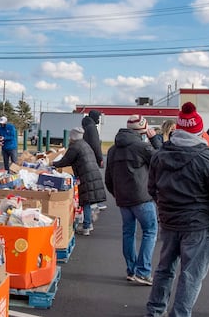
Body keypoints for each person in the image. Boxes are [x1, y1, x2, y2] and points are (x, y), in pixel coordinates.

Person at [144, 103, 209, 317]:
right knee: (191, 273)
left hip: (170, 220)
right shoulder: (208, 159)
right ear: (199, 131)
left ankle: (155, 309)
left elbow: (151, 188)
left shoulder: (160, 155)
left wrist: (165, 206)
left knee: (165, 267)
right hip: (197, 223)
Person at [105, 115, 162, 285]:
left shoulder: (113, 150)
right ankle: (143, 271)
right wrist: (155, 140)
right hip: (142, 198)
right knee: (150, 231)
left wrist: (117, 194)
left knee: (128, 233)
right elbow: (162, 161)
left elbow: (108, 178)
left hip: (123, 199)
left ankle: (131, 270)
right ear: (143, 131)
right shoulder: (143, 147)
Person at [52, 127, 107, 237]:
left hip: (85, 175)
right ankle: (89, 220)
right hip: (92, 173)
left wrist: (53, 164)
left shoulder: (75, 147)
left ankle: (87, 226)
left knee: (86, 201)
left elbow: (66, 160)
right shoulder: (84, 144)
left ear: (72, 137)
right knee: (89, 199)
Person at [81, 110, 107, 212]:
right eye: (98, 118)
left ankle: (94, 203)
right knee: (94, 182)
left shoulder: (86, 126)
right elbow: (95, 144)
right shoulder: (92, 128)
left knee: (90, 181)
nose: (99, 120)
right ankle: (96, 202)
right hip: (92, 158)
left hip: (86, 156)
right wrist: (100, 158)